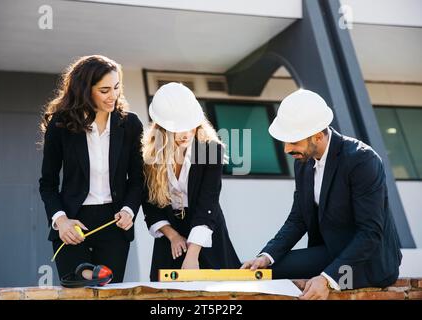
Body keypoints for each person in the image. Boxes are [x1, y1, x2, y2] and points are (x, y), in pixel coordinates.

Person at [242, 89, 402, 300]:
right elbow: (298, 219)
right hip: (330, 251)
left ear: (317, 136)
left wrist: (326, 278)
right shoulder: (303, 162)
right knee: (260, 273)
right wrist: (266, 256)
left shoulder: (362, 160)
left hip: (368, 262)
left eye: (294, 142)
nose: (287, 149)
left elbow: (370, 232)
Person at [39, 55, 143, 283]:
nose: (113, 95)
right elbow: (47, 183)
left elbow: (137, 179)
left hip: (114, 223)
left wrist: (129, 210)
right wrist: (61, 220)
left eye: (116, 87)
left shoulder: (130, 125)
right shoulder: (60, 125)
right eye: (104, 90)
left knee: (109, 292)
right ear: (85, 90)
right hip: (73, 222)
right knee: (77, 290)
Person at [142, 82, 241, 281]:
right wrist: (172, 236)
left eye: (189, 125)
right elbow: (150, 205)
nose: (186, 133)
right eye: (177, 128)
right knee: (165, 292)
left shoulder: (212, 150)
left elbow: (208, 203)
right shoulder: (148, 156)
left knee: (220, 290)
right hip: (170, 232)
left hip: (206, 228)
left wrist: (193, 255)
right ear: (162, 127)